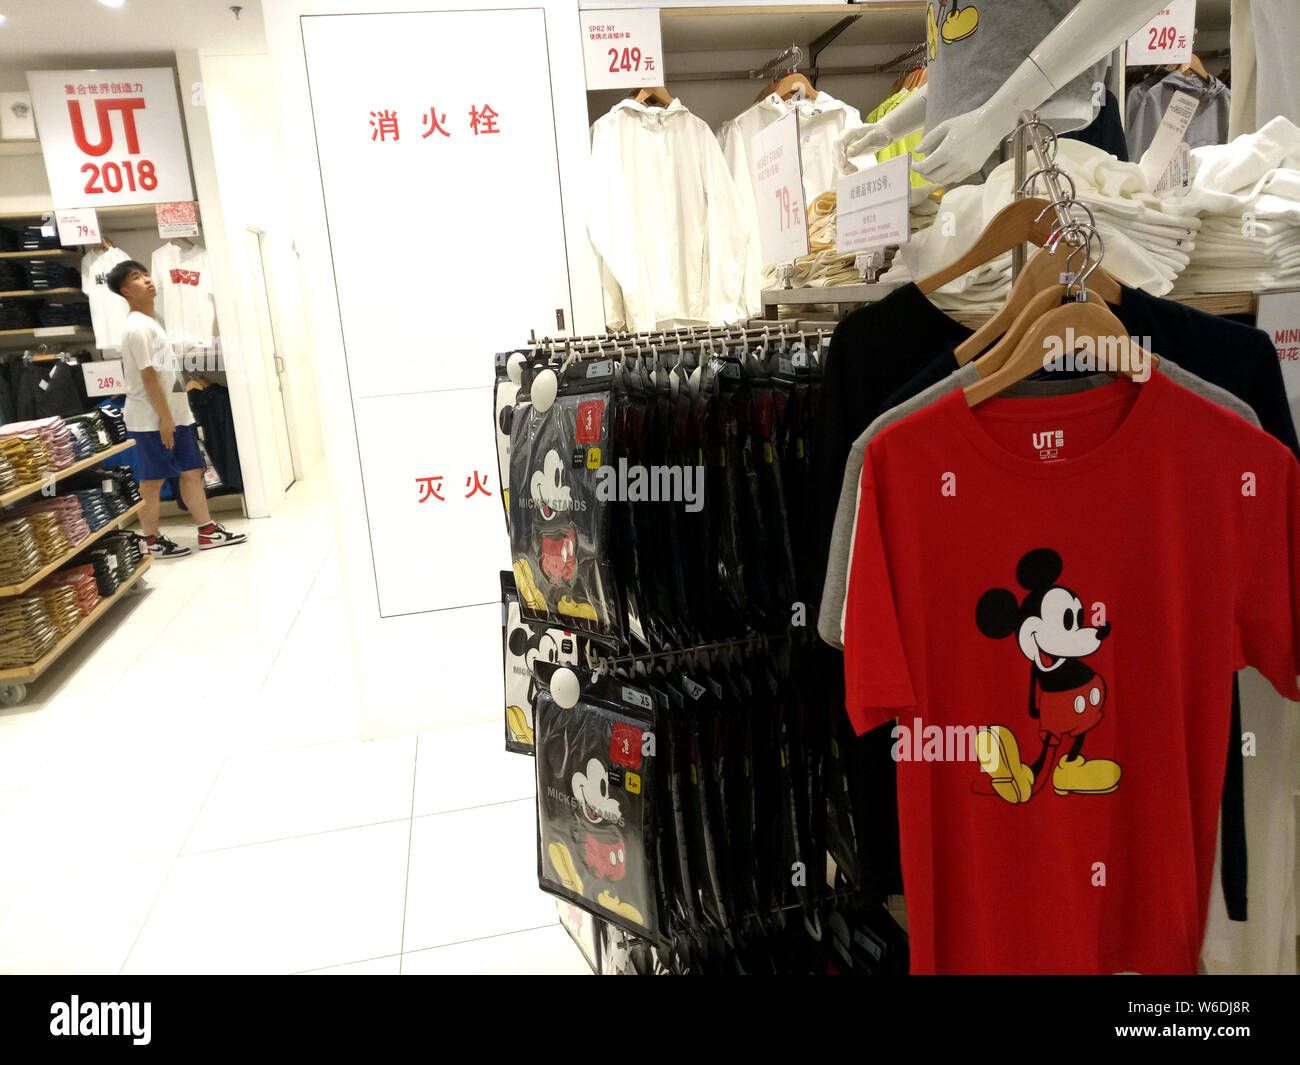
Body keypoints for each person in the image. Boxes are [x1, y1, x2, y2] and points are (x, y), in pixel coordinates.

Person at [106, 259, 246, 558]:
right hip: (151, 420)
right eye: (137, 277)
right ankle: (151, 540)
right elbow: (148, 375)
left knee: (193, 471)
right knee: (153, 479)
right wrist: (166, 419)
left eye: (146, 274)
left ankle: (207, 530)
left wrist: (177, 416)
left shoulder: (151, 322)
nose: (147, 279)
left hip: (174, 415)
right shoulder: (137, 327)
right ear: (125, 290)